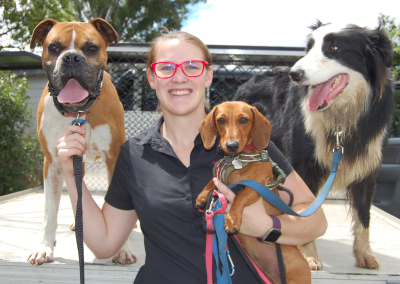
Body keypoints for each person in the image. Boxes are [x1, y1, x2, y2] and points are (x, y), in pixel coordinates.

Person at [57, 30, 327, 284]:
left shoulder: (249, 145)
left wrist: (266, 226)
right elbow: (103, 244)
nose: (179, 78)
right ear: (151, 79)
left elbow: (316, 221)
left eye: (192, 66)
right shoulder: (134, 153)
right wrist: (72, 174)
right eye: (166, 68)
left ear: (207, 75)